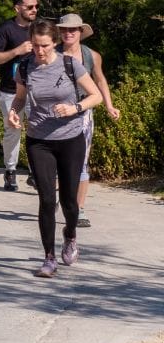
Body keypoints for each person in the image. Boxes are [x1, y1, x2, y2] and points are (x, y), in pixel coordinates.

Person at [7, 20, 101, 277]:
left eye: (45, 46)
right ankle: (49, 257)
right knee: (47, 200)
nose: (40, 51)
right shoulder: (25, 67)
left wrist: (74, 108)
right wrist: (14, 113)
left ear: (54, 43)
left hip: (70, 138)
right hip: (39, 140)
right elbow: (20, 98)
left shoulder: (70, 64)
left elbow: (96, 96)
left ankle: (70, 234)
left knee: (69, 202)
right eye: (36, 45)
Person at [56, 13, 120, 228]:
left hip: (82, 112)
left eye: (72, 29)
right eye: (64, 29)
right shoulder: (51, 53)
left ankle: (79, 208)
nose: (68, 33)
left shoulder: (91, 56)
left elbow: (100, 81)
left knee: (81, 161)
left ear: (80, 31)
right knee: (56, 161)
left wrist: (109, 105)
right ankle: (56, 199)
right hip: (55, 113)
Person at [0, 0, 39, 192]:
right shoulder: (6, 29)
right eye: (29, 7)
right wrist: (17, 51)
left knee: (38, 130)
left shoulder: (40, 27)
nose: (34, 10)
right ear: (17, 8)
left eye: (36, 6)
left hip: (36, 91)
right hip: (10, 91)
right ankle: (10, 170)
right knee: (13, 131)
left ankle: (36, 173)